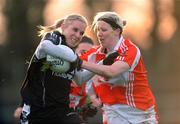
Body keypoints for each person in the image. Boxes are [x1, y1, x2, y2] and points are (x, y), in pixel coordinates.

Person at [78, 11, 159, 124]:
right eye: (98, 30)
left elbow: (111, 71)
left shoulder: (130, 49)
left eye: (104, 30)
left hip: (139, 114)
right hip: (112, 114)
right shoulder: (94, 54)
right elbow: (77, 72)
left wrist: (78, 62)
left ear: (117, 31)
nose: (99, 34)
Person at [18, 13, 88, 124]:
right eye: (75, 30)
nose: (78, 35)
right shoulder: (53, 38)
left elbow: (79, 79)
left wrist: (102, 63)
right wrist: (74, 58)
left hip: (62, 112)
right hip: (37, 112)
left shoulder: (71, 52)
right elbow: (44, 46)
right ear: (64, 26)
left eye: (81, 33)